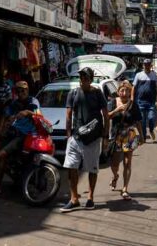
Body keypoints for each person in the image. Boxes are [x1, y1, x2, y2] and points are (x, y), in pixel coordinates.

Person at [61, 67, 110, 213]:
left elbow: (105, 116)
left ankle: (90, 197)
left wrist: (105, 136)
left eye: (86, 77)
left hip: (93, 138)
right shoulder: (73, 93)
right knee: (71, 167)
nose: (83, 79)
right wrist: (69, 135)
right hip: (76, 137)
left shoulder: (98, 93)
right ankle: (74, 198)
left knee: (92, 168)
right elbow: (69, 115)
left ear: (91, 79)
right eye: (81, 77)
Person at [0, 81, 40, 197]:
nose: (21, 93)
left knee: (1, 155)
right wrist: (2, 129)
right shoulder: (13, 104)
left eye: (23, 90)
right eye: (19, 91)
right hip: (14, 134)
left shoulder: (33, 101)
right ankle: (0, 184)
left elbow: (39, 116)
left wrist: (28, 113)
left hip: (27, 135)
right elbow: (5, 116)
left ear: (27, 91)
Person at [108, 80, 144, 200]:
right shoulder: (113, 102)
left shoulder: (133, 105)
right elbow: (106, 116)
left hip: (129, 135)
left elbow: (138, 121)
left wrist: (142, 135)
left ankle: (125, 189)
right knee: (114, 163)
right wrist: (117, 110)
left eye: (127, 91)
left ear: (129, 93)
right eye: (122, 90)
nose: (124, 93)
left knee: (127, 163)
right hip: (116, 135)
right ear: (118, 92)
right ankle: (115, 176)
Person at [132, 59, 157, 141]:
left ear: (150, 66)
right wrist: (132, 99)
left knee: (151, 118)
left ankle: (151, 130)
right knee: (143, 121)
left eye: (148, 64)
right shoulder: (138, 75)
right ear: (143, 66)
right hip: (140, 101)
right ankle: (144, 136)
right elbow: (133, 87)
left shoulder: (154, 76)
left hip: (151, 102)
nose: (147, 66)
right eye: (145, 64)